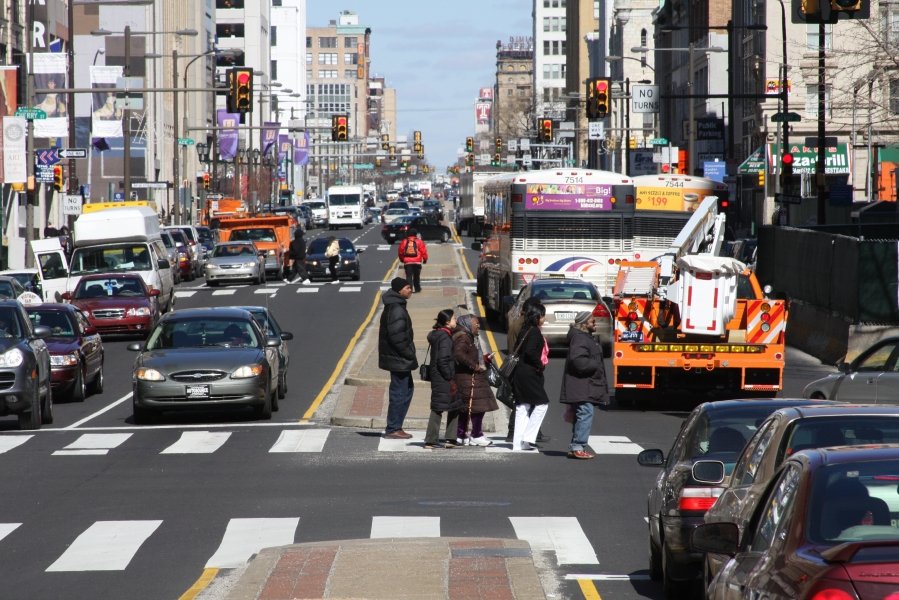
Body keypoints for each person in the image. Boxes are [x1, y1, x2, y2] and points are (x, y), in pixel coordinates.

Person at [559, 311, 609, 460]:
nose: (595, 324)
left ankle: (576, 446)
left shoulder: (583, 337)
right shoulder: (580, 338)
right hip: (582, 384)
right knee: (585, 413)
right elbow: (579, 361)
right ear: (583, 324)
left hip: (583, 384)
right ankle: (577, 447)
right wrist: (595, 364)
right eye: (592, 321)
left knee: (581, 414)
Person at [378, 277, 417, 439]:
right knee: (400, 393)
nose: (411, 290)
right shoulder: (396, 309)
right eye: (408, 288)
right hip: (399, 359)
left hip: (397, 359)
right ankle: (393, 428)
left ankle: (395, 426)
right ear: (399, 290)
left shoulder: (395, 306)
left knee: (406, 390)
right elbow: (397, 337)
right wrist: (409, 353)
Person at [453, 314, 499, 446]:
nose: (478, 326)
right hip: (468, 378)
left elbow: (468, 354)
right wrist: (475, 366)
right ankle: (475, 434)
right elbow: (459, 354)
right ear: (468, 324)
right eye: (476, 323)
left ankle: (463, 434)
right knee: (478, 406)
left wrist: (483, 359)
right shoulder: (463, 337)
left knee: (469, 407)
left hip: (470, 377)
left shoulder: (469, 336)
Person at [511, 302, 550, 452]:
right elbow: (530, 352)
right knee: (542, 404)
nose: (544, 319)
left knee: (522, 407)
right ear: (537, 316)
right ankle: (527, 437)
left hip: (519, 372)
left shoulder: (524, 329)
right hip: (529, 373)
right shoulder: (534, 332)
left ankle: (518, 444)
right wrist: (540, 365)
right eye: (542, 315)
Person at [424, 309, 461, 449]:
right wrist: (450, 377)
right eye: (454, 319)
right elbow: (443, 360)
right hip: (444, 378)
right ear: (447, 322)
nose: (455, 321)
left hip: (437, 377)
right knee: (446, 407)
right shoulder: (445, 337)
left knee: (445, 406)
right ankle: (442, 439)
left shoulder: (437, 335)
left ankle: (438, 439)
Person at [398, 228, 427, 293]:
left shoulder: (404, 241)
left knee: (408, 277)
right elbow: (423, 251)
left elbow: (400, 251)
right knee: (416, 276)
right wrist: (425, 259)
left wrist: (402, 259)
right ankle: (417, 289)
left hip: (407, 262)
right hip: (417, 262)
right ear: (415, 234)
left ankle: (409, 290)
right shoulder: (419, 241)